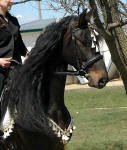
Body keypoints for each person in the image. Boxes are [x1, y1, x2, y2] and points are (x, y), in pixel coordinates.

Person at [0, 0, 28, 138]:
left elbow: (19, 43)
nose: (12, 0)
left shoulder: (14, 20)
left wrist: (28, 54)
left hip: (17, 68)